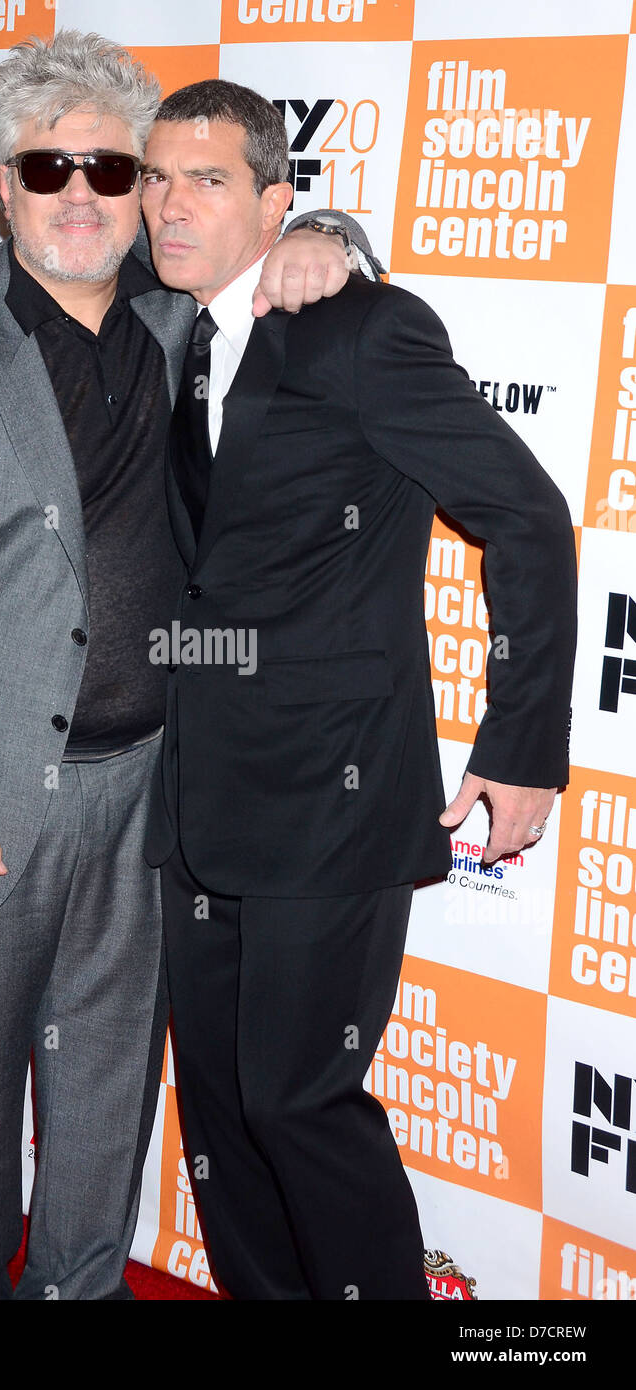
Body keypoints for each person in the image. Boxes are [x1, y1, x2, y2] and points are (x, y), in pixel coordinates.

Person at [0, 32, 349, 1301]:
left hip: (144, 792)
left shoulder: (178, 320)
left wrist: (329, 235)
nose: (83, 192)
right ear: (0, 182)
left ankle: (79, 1291)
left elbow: (280, 242)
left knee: (109, 1083)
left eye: (112, 168)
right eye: (47, 165)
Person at [140, 79, 578, 1300]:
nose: (170, 206)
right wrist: (334, 233)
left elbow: (528, 518)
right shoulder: (159, 318)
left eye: (209, 180)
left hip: (333, 800)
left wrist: (525, 744)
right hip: (196, 804)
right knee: (221, 1114)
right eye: (158, 177)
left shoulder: (361, 332)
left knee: (299, 1099)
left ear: (278, 201)